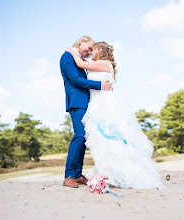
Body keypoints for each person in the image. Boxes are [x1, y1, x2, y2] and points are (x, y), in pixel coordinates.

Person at [65, 42, 164, 189]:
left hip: (104, 107)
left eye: (93, 50)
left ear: (101, 51)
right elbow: (84, 63)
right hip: (95, 105)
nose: (91, 52)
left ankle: (117, 174)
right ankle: (108, 174)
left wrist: (70, 51)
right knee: (101, 142)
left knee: (109, 141)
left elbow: (80, 63)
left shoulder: (105, 64)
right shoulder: (99, 64)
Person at [60, 36, 113, 188]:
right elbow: (76, 80)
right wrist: (100, 85)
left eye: (92, 50)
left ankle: (77, 174)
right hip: (77, 102)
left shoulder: (79, 59)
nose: (89, 52)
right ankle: (68, 175)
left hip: (87, 103)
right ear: (81, 41)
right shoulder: (67, 56)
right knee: (79, 135)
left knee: (85, 137)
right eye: (88, 48)